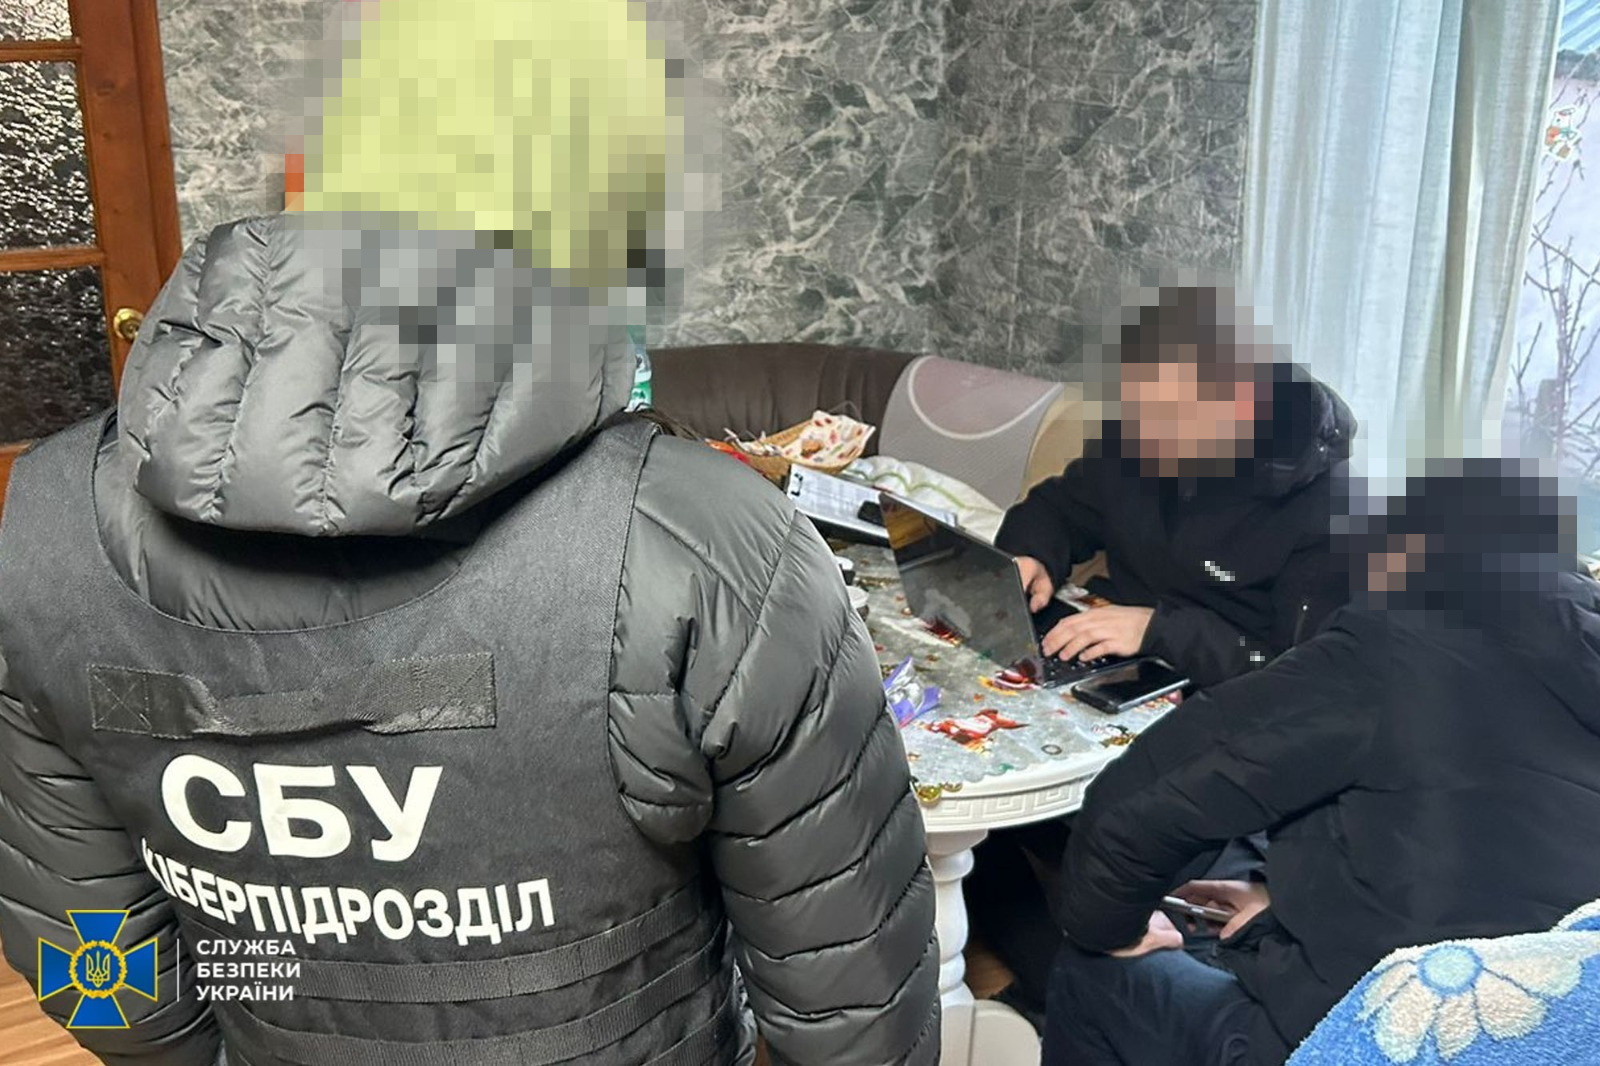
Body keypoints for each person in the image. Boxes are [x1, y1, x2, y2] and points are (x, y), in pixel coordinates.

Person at [0, 4, 939, 1065]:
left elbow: (103, 981)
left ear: (303, 175)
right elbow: (855, 1016)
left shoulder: (42, 527)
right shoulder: (712, 541)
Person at [1045, 459, 1600, 1066]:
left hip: (1376, 1040)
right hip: (1551, 1029)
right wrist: (1282, 905)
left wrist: (1112, 930)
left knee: (1093, 969)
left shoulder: (1395, 642)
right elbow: (1484, 852)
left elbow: (1139, 803)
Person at [968, 285, 1356, 1013]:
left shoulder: (1330, 508)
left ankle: (1062, 986)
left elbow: (1306, 680)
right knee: (965, 799)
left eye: (1169, 419)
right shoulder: (1142, 439)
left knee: (1134, 862)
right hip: (1108, 672)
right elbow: (1058, 506)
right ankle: (1058, 973)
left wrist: (1159, 629)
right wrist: (1030, 555)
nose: (1144, 436)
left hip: (1229, 714)